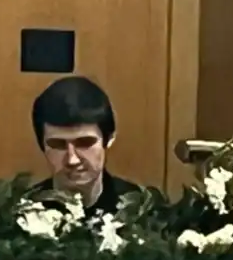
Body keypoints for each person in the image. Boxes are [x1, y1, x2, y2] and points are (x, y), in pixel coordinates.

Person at [30, 75, 147, 211]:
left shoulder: (143, 209)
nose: (72, 160)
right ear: (42, 145)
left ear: (109, 139)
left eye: (84, 143)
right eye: (58, 145)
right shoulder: (20, 211)